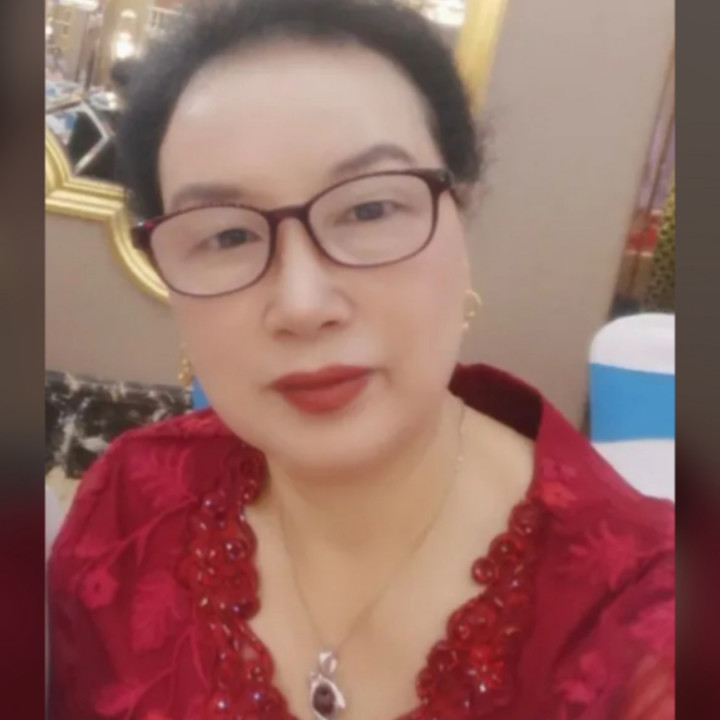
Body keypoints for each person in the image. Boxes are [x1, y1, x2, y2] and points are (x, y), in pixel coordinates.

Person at [48, 1, 675, 719]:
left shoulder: (648, 621)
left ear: (461, 216)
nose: (303, 304)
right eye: (226, 237)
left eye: (369, 210)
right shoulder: (126, 513)